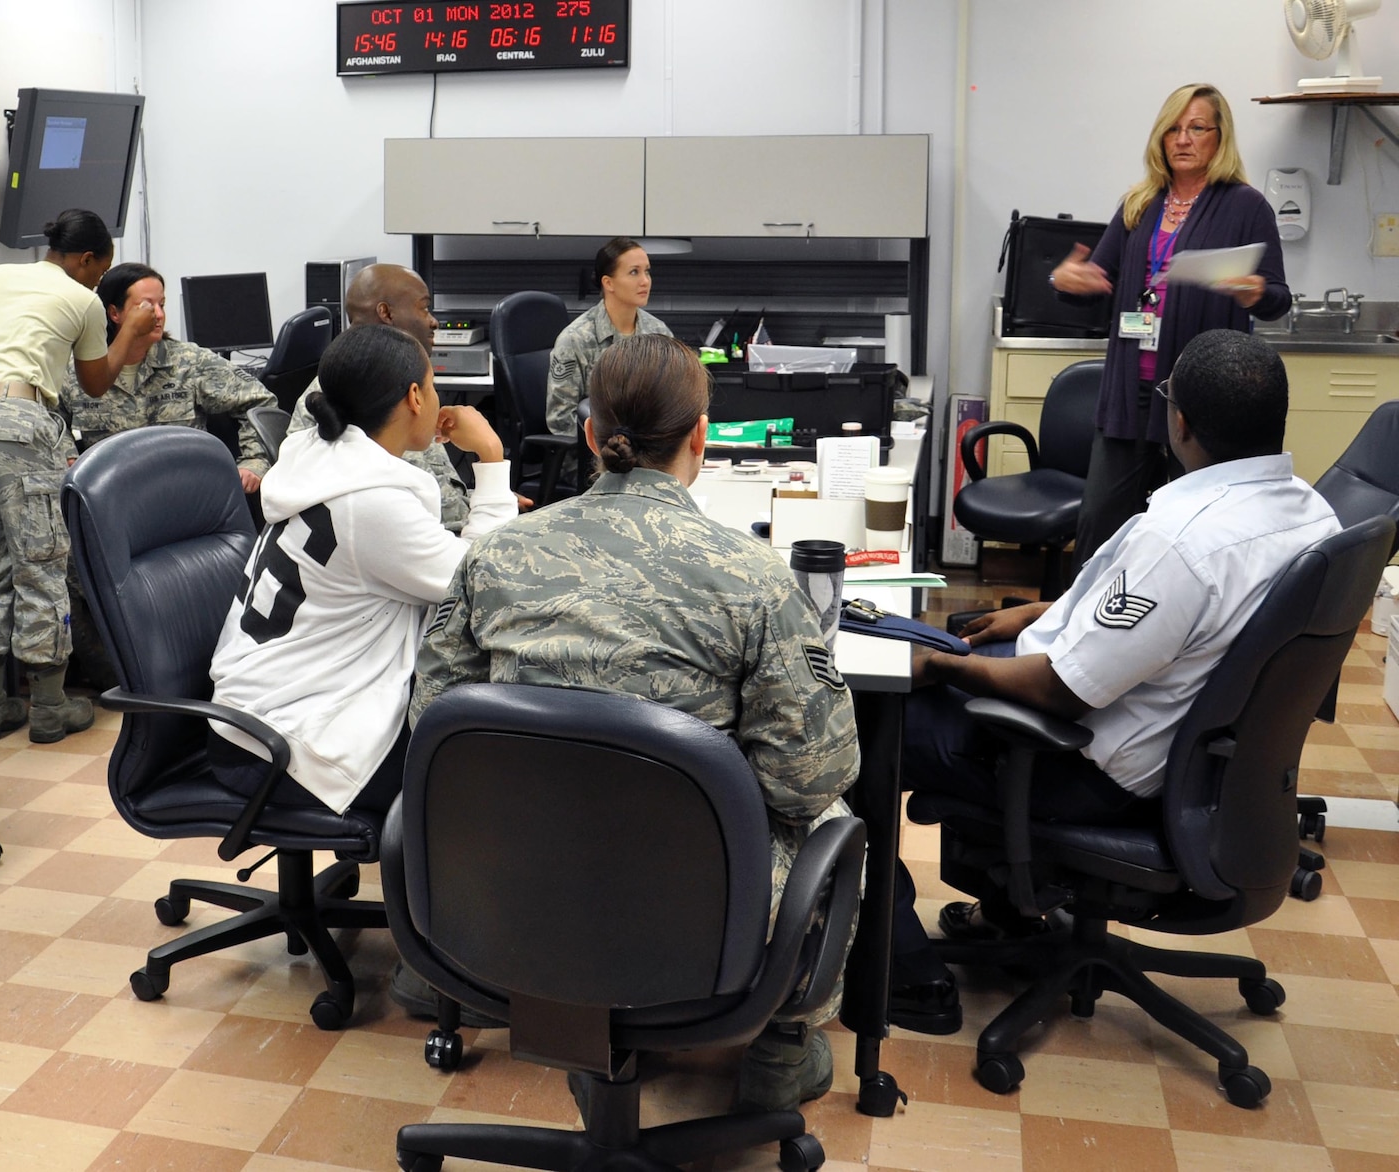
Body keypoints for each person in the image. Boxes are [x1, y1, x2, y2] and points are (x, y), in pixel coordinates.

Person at [413, 333, 859, 1113]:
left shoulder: (496, 556)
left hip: (504, 890)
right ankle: (782, 1047)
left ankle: (573, 1006)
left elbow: (435, 729)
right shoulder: (751, 577)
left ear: (588, 434)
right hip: (695, 912)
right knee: (834, 815)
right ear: (702, 436)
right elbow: (806, 777)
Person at [887, 330, 1338, 1032]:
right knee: (937, 657)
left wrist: (946, 665)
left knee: (865, 721)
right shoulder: (1311, 513)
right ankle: (1009, 911)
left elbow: (1064, 690)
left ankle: (906, 976)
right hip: (1197, 768)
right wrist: (1045, 612)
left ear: (1179, 420)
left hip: (1083, 765)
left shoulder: (1182, 539)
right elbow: (1178, 626)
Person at [208, 323, 515, 820]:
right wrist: (493, 458)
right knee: (483, 759)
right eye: (434, 385)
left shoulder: (319, 458)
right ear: (415, 397)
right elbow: (487, 581)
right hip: (288, 748)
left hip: (259, 713)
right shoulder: (369, 504)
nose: (439, 399)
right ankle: (426, 894)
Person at [1049, 83, 1290, 570]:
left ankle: (1177, 633)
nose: (1183, 138)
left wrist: (1254, 292)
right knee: (1100, 523)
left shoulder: (1246, 207)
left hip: (1201, 399)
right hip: (1130, 393)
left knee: (1192, 531)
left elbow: (1278, 300)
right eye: (1173, 129)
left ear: (1219, 138)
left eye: (1197, 128)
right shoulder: (1139, 203)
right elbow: (1098, 282)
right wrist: (1066, 281)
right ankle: (1073, 633)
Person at [0, 208, 156, 746]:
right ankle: (51, 707)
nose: (98, 281)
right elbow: (97, 382)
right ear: (86, 260)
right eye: (100, 271)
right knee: (40, 564)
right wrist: (128, 334)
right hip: (17, 421)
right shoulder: (82, 299)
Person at [288, 264, 475, 530]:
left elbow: (436, 489)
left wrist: (478, 502)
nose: (433, 321)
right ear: (386, 313)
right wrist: (490, 462)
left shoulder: (398, 376)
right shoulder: (349, 392)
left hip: (451, 529)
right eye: (423, 308)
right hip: (423, 543)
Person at [60, 262, 275, 492]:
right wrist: (68, 455)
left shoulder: (189, 362)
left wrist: (254, 462)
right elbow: (52, 419)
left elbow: (260, 401)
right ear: (114, 313)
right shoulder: (81, 371)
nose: (159, 315)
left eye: (161, 304)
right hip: (114, 498)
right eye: (146, 306)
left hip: (187, 492)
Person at [545, 236, 673, 438]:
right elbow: (561, 420)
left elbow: (672, 401)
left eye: (647, 271)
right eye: (634, 272)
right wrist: (610, 449)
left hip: (650, 453)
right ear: (608, 283)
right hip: (594, 457)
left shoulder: (659, 333)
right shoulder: (575, 339)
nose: (645, 281)